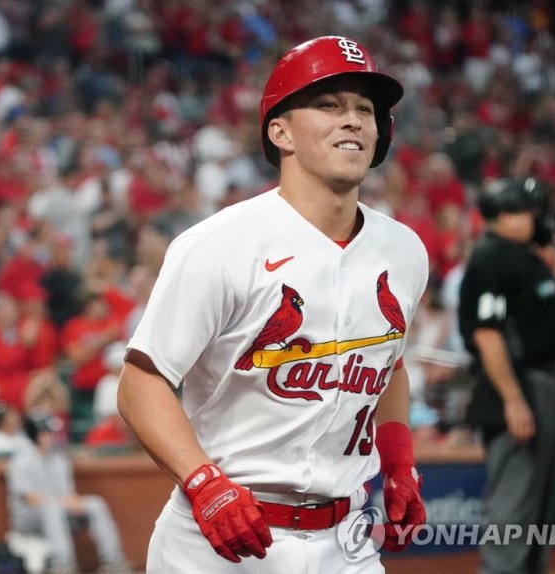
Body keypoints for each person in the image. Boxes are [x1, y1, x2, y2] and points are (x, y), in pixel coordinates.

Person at [117, 36, 428, 573]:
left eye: (364, 108)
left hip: (346, 544)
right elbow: (141, 382)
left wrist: (399, 460)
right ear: (279, 132)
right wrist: (204, 482)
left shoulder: (404, 250)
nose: (351, 119)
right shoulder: (220, 245)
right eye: (329, 105)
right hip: (222, 541)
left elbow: (387, 361)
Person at [457, 177, 555, 574]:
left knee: (537, 513)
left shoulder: (523, 256)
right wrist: (514, 400)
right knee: (512, 509)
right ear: (501, 216)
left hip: (539, 384)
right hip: (517, 387)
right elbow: (488, 335)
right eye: (524, 211)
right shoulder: (492, 256)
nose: (533, 219)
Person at [5, 410, 130, 574]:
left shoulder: (59, 460)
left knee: (95, 504)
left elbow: (68, 494)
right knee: (52, 509)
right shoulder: (20, 462)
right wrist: (63, 502)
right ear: (34, 434)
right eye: (46, 432)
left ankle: (113, 562)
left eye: (51, 432)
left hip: (59, 510)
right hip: (28, 519)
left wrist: (74, 502)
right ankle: (63, 565)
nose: (51, 436)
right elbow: (30, 498)